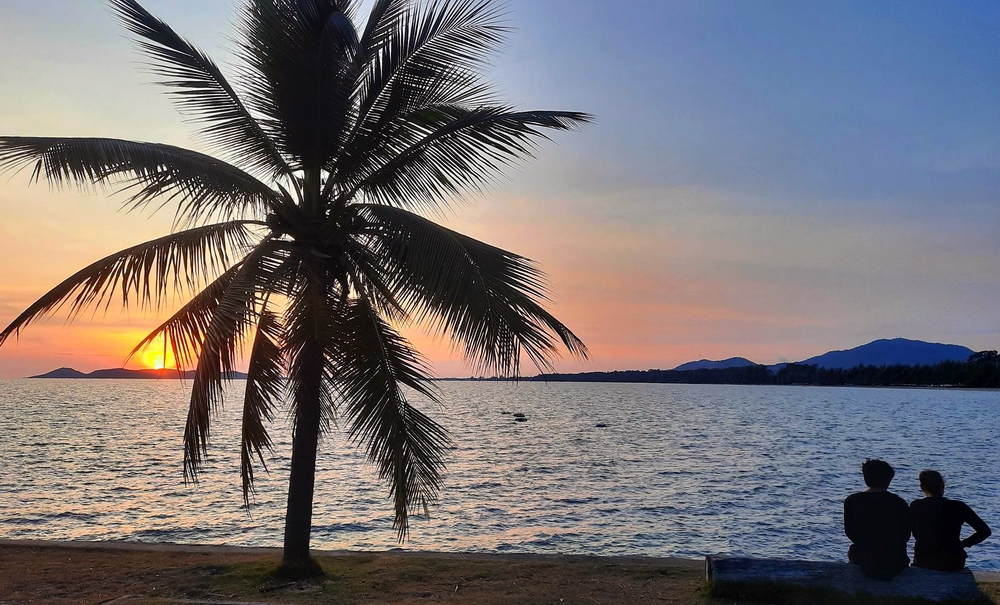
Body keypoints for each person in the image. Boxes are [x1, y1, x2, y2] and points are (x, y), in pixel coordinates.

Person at [910, 470, 992, 571]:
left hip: (924, 558)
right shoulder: (958, 506)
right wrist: (963, 544)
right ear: (942, 486)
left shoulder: (915, 506)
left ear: (922, 487)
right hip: (953, 560)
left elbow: (913, 532)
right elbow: (985, 531)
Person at [844, 459, 911, 579]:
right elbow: (905, 535)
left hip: (864, 556)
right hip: (895, 558)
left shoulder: (852, 501)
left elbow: (851, 533)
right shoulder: (899, 503)